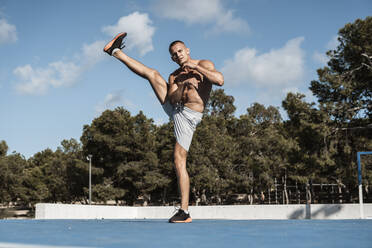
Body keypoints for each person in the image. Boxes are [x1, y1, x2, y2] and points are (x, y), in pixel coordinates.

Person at [103, 32, 224, 223]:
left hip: (189, 116)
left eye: (180, 51)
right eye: (174, 54)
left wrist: (193, 67)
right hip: (176, 108)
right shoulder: (174, 75)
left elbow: (219, 80)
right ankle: (115, 52)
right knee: (152, 74)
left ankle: (184, 212)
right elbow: (173, 98)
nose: (178, 55)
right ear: (172, 58)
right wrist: (183, 86)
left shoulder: (204, 64)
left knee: (178, 159)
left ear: (187, 50)